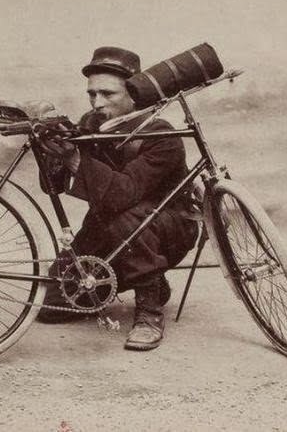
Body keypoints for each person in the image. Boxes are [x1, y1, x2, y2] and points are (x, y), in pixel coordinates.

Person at [36, 46, 199, 350]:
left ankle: (149, 309)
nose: (97, 103)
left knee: (125, 216)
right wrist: (51, 152)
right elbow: (52, 187)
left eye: (107, 94)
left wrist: (75, 159)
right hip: (109, 227)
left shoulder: (161, 137)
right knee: (52, 305)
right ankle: (152, 281)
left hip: (166, 228)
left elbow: (122, 195)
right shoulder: (91, 125)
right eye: (92, 94)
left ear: (134, 93)